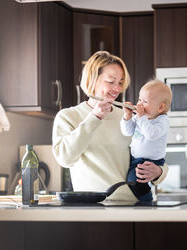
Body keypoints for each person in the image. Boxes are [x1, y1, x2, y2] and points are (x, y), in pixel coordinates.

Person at [52, 51, 168, 202]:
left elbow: (153, 150)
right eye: (111, 81)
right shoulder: (68, 116)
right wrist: (95, 117)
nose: (118, 88)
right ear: (93, 79)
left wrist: (159, 172)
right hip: (93, 209)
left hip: (132, 206)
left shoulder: (127, 117)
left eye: (120, 82)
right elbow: (65, 159)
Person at [120, 79, 172, 201]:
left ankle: (147, 201)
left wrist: (141, 117)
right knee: (133, 182)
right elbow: (127, 132)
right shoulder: (139, 117)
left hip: (152, 161)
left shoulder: (162, 121)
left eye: (145, 101)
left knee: (135, 182)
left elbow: (151, 134)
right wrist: (127, 117)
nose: (139, 104)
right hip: (135, 160)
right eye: (139, 100)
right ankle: (146, 201)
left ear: (160, 107)